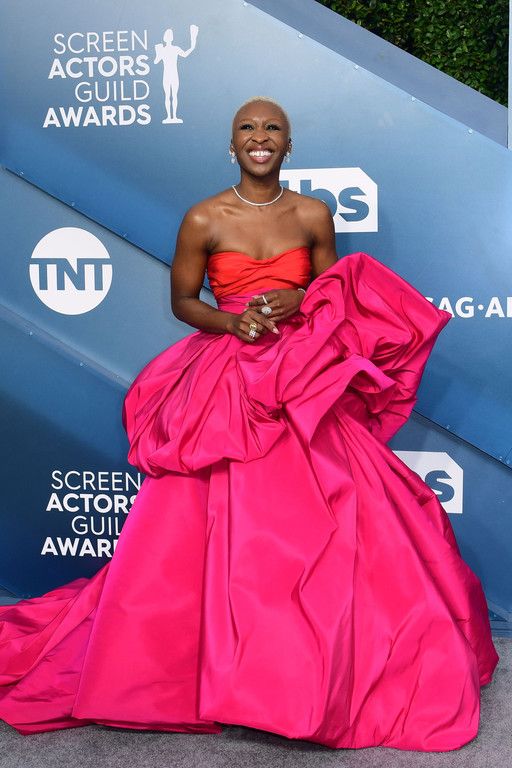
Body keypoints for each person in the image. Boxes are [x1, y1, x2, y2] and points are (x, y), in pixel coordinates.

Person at [0, 97, 499, 751]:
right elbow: (184, 301)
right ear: (231, 144)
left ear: (288, 145)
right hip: (227, 376)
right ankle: (208, 666)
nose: (259, 137)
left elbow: (339, 299)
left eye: (272, 128)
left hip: (298, 378)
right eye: (247, 128)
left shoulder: (312, 215)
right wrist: (232, 321)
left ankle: (307, 670)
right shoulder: (204, 217)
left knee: (328, 519)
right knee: (203, 528)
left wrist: (300, 298)